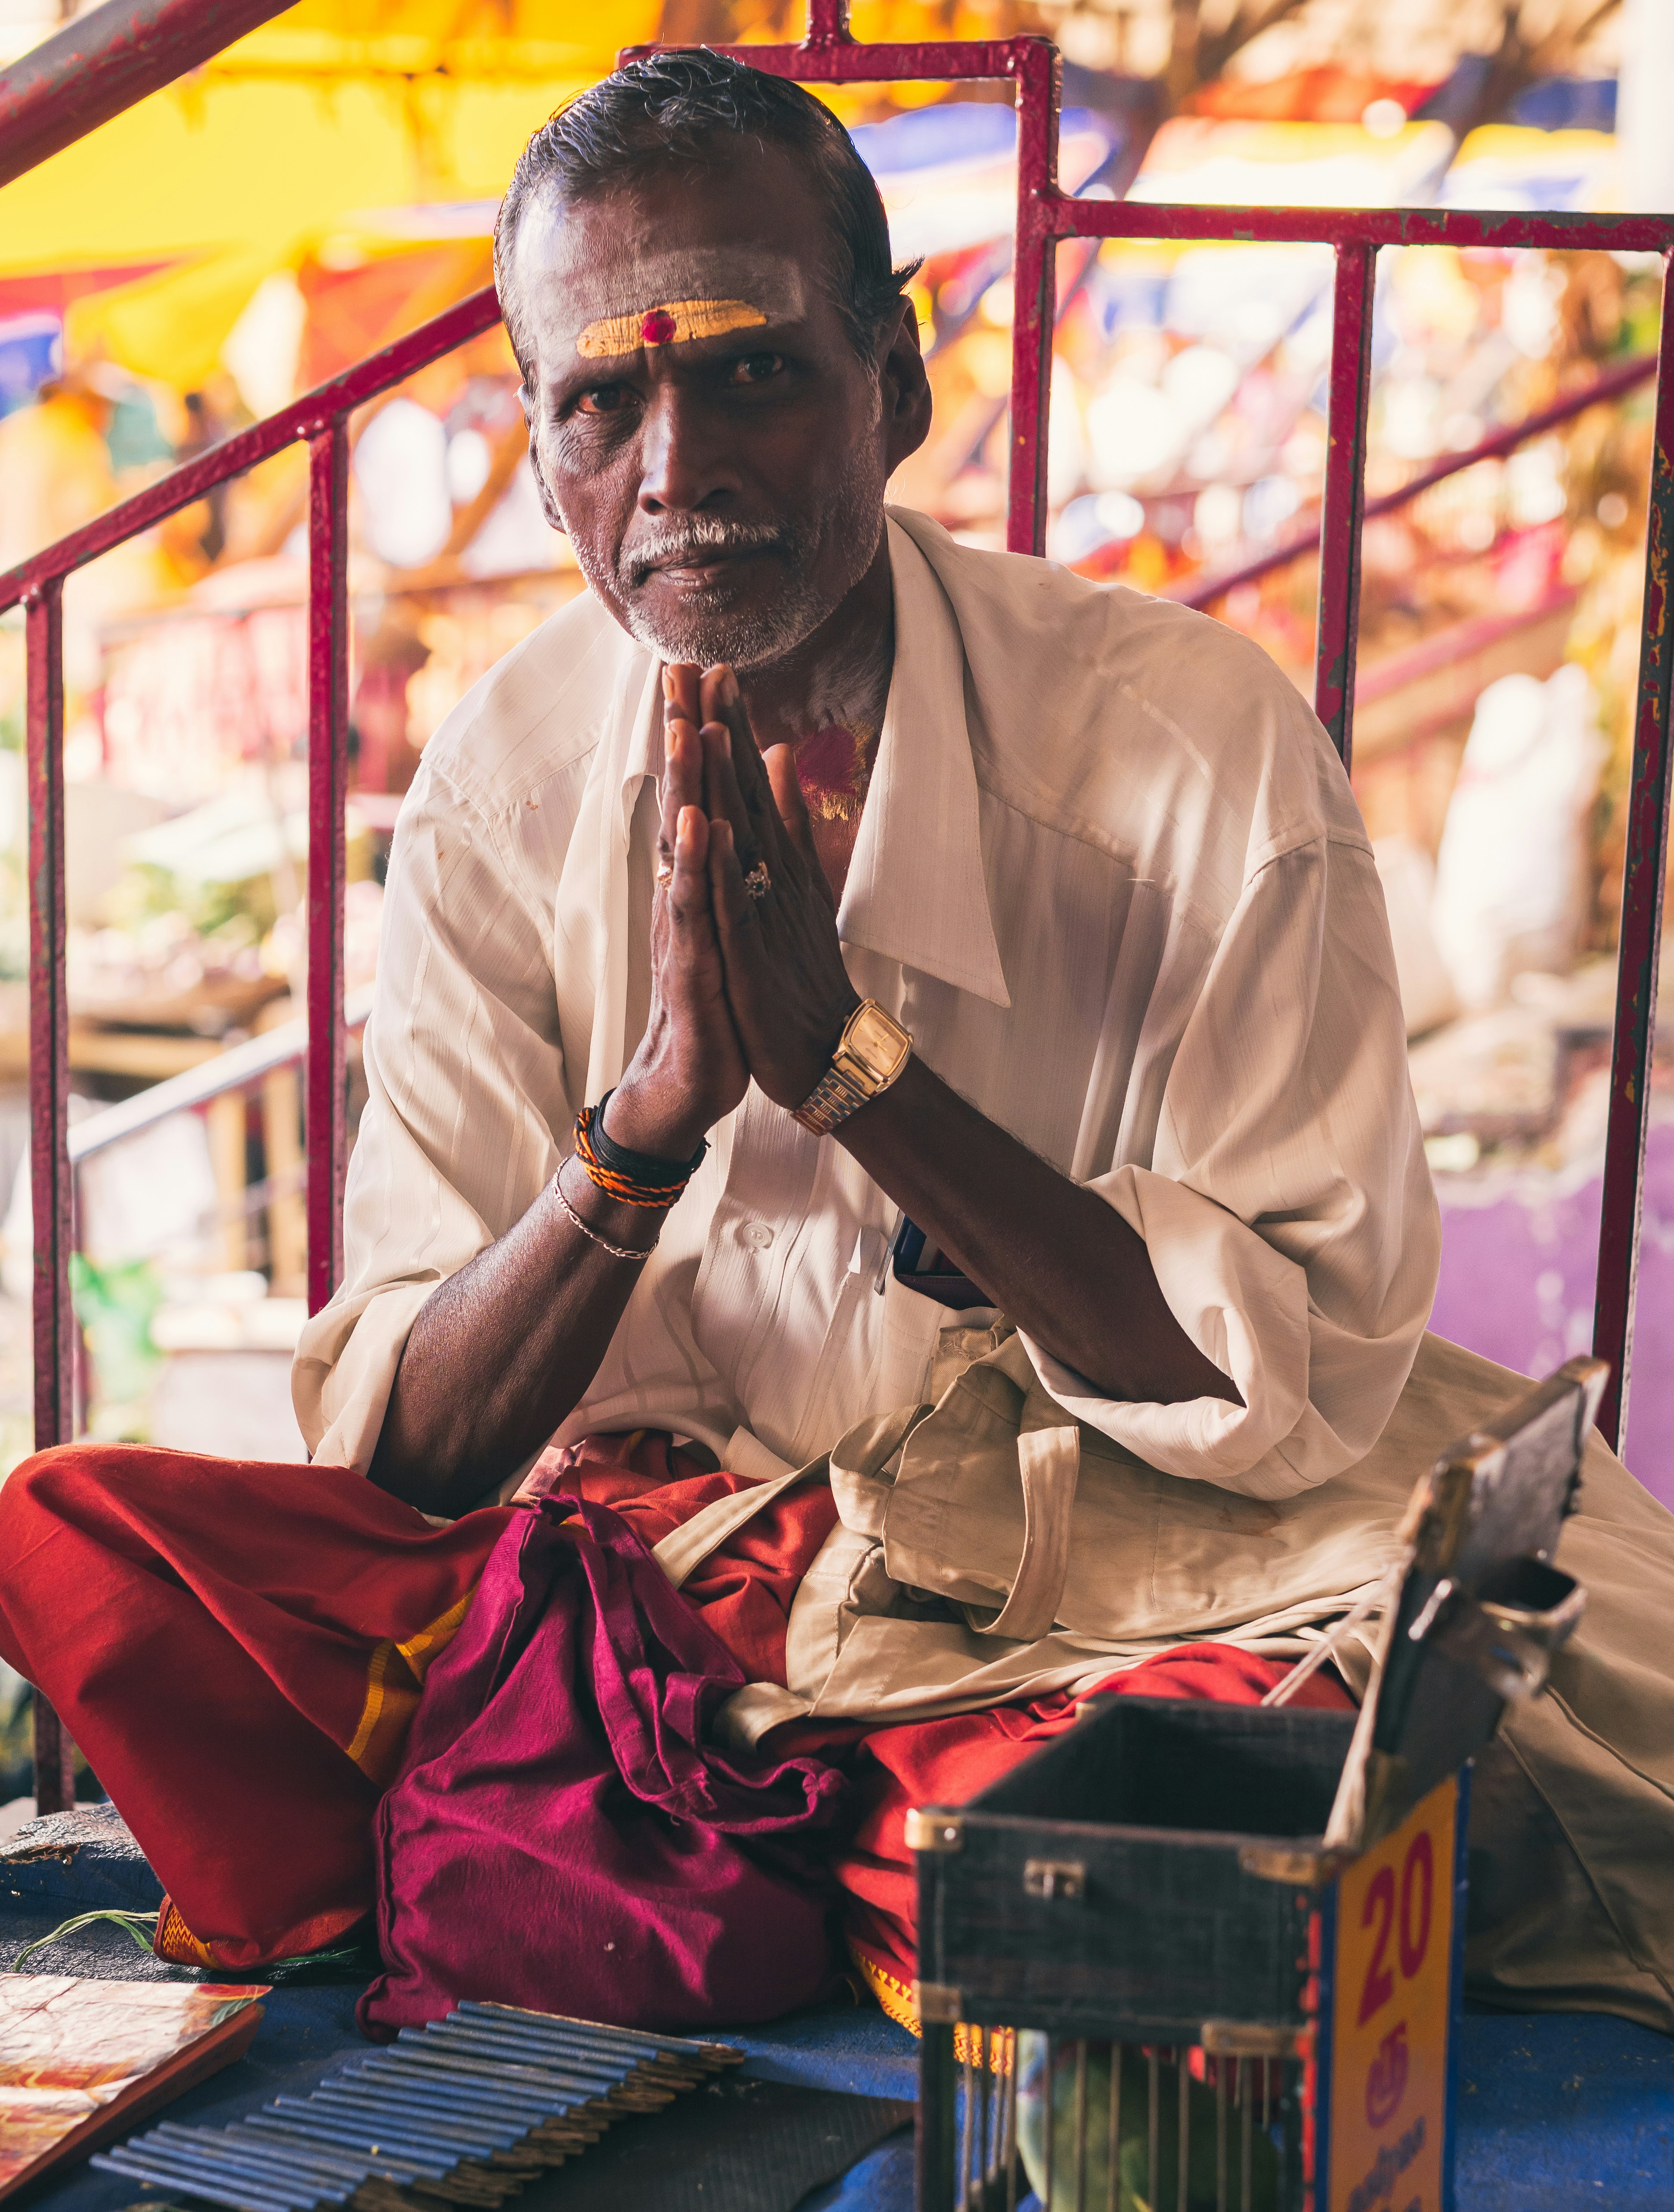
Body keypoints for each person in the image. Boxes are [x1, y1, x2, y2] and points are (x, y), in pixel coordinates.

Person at [2, 55, 1667, 2035]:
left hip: (1088, 1580)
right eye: (598, 400)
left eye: (753, 373)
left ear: (895, 381)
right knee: (79, 1536)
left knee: (1353, 1731)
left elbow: (1276, 1390)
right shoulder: (500, 788)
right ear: (542, 446)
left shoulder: (1195, 752)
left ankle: (747, 1843)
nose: (673, 463)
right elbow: (415, 1455)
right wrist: (641, 1136)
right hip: (655, 1583)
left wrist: (857, 1076)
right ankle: (792, 1839)